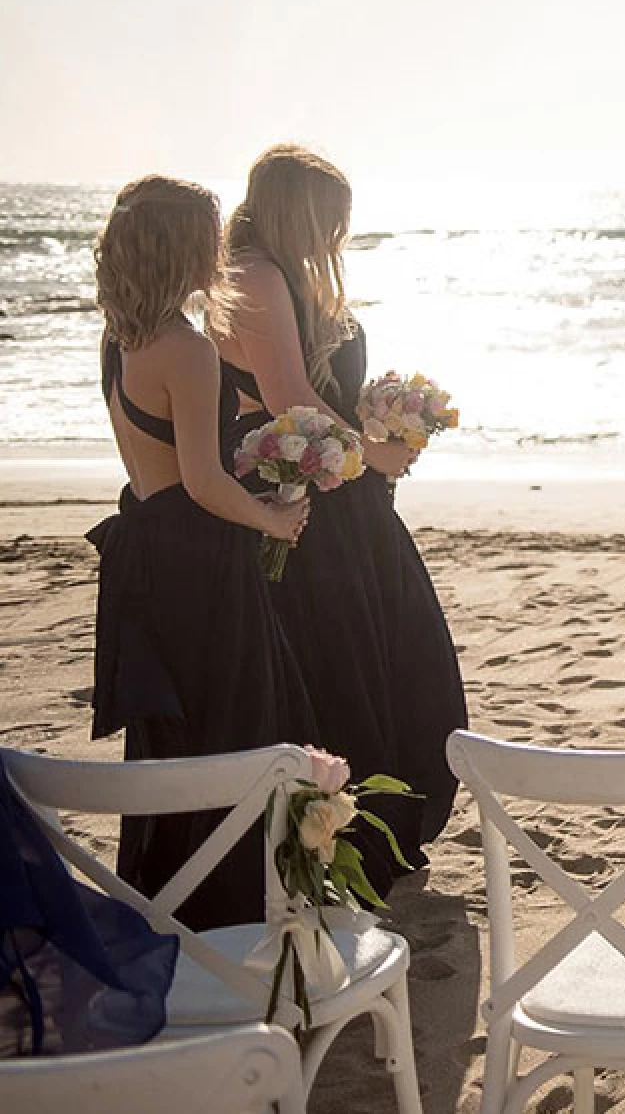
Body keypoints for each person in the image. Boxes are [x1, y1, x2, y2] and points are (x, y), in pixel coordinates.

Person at [213, 145, 466, 892]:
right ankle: (350, 838)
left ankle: (377, 827)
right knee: (349, 656)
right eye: (334, 218)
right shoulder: (255, 275)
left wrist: (385, 415)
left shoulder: (291, 276)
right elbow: (290, 396)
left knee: (395, 648)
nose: (342, 234)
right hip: (302, 488)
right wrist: (376, 454)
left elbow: (319, 389)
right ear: (300, 209)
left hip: (340, 482)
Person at [85, 176, 314, 929]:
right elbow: (205, 481)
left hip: (146, 549)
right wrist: (273, 520)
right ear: (182, 247)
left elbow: (165, 464)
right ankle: (234, 919)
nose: (220, 252)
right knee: (239, 727)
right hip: (197, 560)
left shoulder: (120, 340)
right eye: (209, 238)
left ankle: (171, 909)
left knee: (174, 741)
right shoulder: (185, 349)